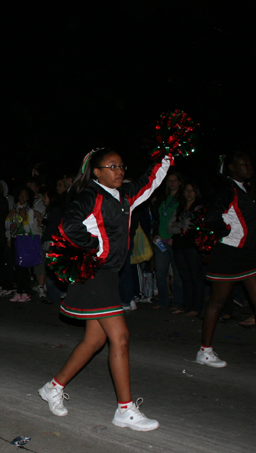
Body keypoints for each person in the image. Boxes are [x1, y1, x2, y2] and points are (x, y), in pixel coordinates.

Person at [38, 148, 172, 431]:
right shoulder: (89, 196)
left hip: (109, 275)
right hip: (94, 274)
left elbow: (151, 181)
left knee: (94, 341)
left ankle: (53, 387)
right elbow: (69, 225)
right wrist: (95, 246)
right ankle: (125, 409)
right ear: (97, 172)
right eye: (112, 166)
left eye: (122, 166)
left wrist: (167, 156)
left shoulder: (125, 195)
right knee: (120, 337)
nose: (119, 170)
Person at [196, 152, 256, 372]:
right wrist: (226, 231)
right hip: (229, 253)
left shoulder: (247, 188)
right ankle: (204, 351)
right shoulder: (227, 189)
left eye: (250, 162)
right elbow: (211, 216)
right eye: (244, 163)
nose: (249, 166)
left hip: (249, 254)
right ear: (231, 167)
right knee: (217, 303)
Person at [167, 180, 205, 317]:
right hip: (179, 246)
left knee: (196, 277)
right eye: (187, 190)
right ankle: (186, 305)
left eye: (191, 190)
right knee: (185, 278)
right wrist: (182, 226)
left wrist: (181, 225)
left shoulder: (199, 208)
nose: (189, 193)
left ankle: (196, 307)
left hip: (192, 246)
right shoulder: (180, 208)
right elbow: (170, 227)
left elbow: (194, 225)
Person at [151, 172, 183, 310]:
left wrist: (175, 238)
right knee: (160, 273)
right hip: (160, 241)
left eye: (175, 180)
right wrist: (155, 233)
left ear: (179, 182)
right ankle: (163, 301)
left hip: (173, 241)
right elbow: (157, 218)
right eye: (170, 180)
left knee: (177, 275)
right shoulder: (162, 199)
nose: (172, 183)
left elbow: (182, 222)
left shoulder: (181, 200)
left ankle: (177, 302)